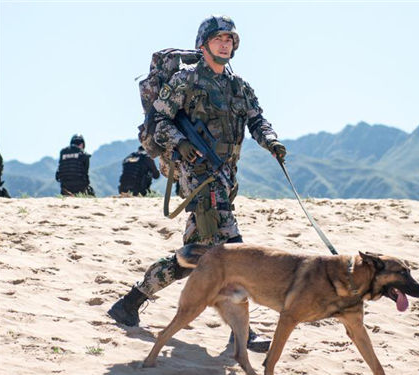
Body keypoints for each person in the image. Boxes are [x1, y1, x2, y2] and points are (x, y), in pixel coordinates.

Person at [108, 15, 287, 352]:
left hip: (225, 177)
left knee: (194, 255)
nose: (225, 43)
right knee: (237, 252)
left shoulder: (239, 87)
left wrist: (271, 141)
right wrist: (181, 141)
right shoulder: (186, 81)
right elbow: (159, 119)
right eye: (218, 38)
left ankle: (129, 303)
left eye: (230, 39)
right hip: (198, 178)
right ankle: (242, 333)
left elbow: (257, 119)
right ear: (203, 44)